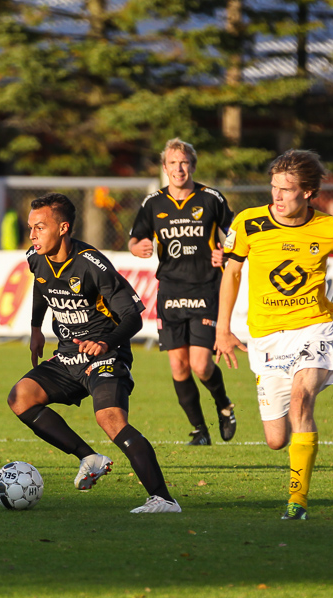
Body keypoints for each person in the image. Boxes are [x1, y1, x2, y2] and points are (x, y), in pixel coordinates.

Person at [215, 149, 333, 520]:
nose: (276, 196)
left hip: (314, 327)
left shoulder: (327, 227)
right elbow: (231, 274)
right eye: (274, 187)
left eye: (286, 189)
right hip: (266, 338)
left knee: (302, 397)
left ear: (307, 192)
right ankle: (291, 448)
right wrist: (223, 330)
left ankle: (297, 502)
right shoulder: (248, 223)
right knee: (276, 439)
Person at [7, 192, 181, 513]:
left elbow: (132, 316)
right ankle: (89, 457)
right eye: (31, 227)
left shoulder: (93, 265)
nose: (32, 234)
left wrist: (106, 342)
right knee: (21, 397)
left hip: (105, 355)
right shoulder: (37, 257)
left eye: (40, 227)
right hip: (68, 355)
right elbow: (40, 283)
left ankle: (163, 498)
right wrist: (35, 328)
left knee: (110, 419)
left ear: (63, 228)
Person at [129, 138, 237, 446]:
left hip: (205, 289)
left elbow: (236, 239)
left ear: (193, 165)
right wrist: (139, 247)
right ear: (164, 168)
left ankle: (224, 404)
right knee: (178, 365)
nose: (179, 168)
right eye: (173, 163)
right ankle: (200, 430)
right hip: (170, 291)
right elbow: (134, 240)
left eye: (184, 162)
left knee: (201, 365)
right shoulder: (153, 204)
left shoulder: (211, 198)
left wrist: (225, 255)